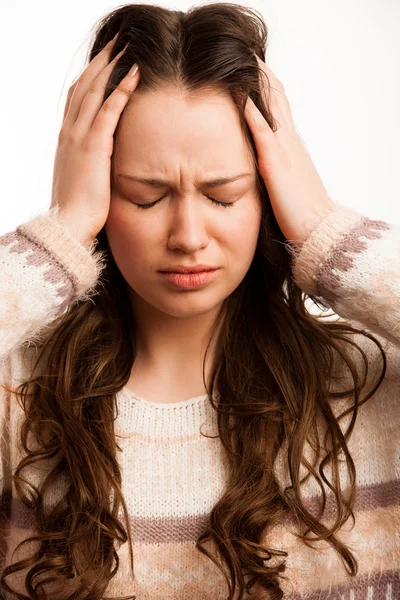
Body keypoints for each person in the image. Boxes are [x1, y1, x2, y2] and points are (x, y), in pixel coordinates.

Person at [0, 3, 399, 599]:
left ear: (269, 193)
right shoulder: (16, 400)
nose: (188, 236)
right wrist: (62, 231)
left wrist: (325, 230)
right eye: (144, 196)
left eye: (223, 194)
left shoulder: (373, 388)